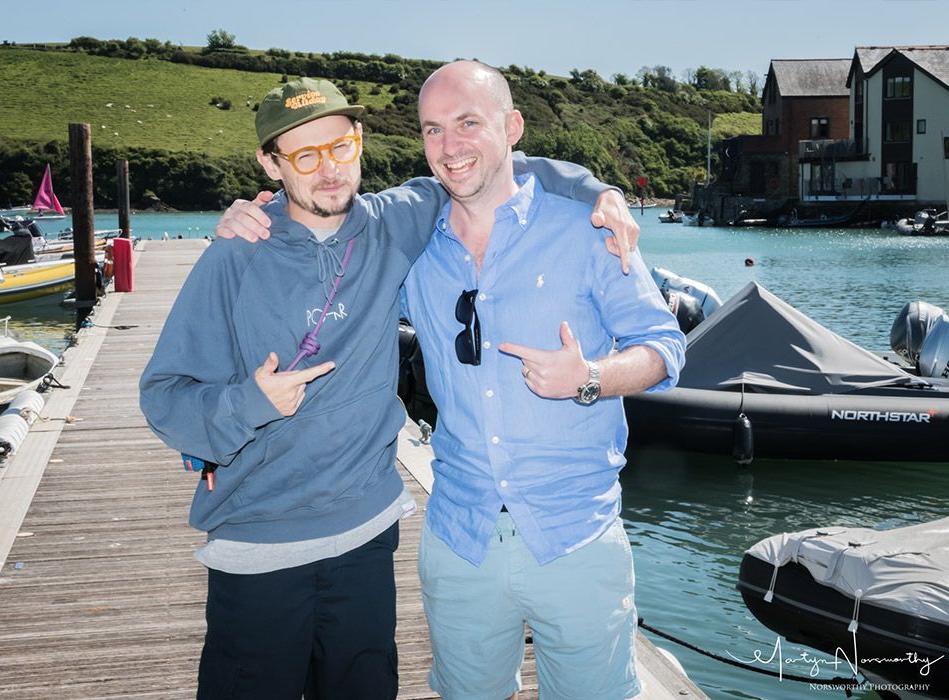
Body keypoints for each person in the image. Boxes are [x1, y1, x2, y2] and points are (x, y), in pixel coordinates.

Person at [141, 76, 639, 700]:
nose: (328, 171)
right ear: (270, 163)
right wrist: (246, 405)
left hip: (366, 541)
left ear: (359, 142)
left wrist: (600, 189)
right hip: (258, 547)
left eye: (340, 147)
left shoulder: (394, 221)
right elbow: (165, 395)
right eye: (303, 155)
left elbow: (484, 161)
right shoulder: (237, 255)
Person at [397, 61, 686, 699]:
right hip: (459, 538)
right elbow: (325, 236)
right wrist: (259, 220)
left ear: (513, 127)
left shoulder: (589, 230)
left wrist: (589, 378)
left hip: (576, 535)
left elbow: (666, 346)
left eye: (468, 123)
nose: (450, 146)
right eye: (433, 130)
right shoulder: (412, 249)